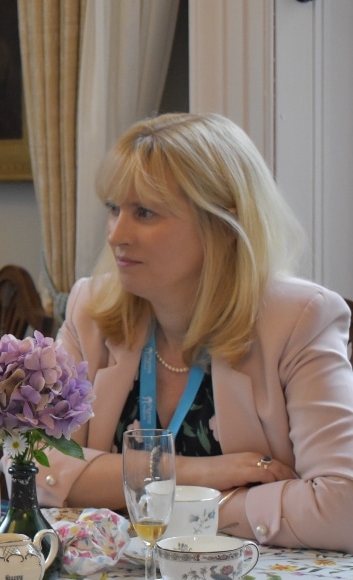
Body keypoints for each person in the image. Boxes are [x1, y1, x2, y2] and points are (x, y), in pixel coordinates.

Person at [40, 112, 353, 554]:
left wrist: (168, 506)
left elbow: (342, 507)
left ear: (222, 227)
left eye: (144, 212)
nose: (116, 234)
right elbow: (34, 465)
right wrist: (196, 474)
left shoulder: (300, 319)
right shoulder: (91, 308)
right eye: (114, 208)